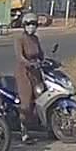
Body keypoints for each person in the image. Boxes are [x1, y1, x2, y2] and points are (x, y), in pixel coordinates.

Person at [15, 12, 45, 142]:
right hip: (24, 72)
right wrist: (29, 63)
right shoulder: (20, 39)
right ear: (24, 25)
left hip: (36, 72)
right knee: (26, 102)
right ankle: (23, 130)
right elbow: (20, 57)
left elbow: (41, 54)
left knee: (41, 97)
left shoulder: (35, 39)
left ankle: (40, 124)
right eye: (28, 24)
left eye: (34, 24)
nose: (31, 26)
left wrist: (45, 61)